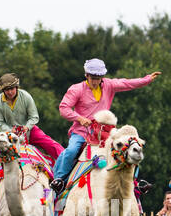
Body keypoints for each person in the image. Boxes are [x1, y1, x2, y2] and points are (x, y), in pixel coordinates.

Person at [47, 59, 161, 196]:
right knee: (71, 151)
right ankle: (59, 181)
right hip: (81, 132)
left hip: (105, 133)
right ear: (86, 75)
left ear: (102, 77)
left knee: (130, 147)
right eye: (93, 78)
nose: (95, 81)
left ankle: (134, 183)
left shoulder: (109, 85)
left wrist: (147, 79)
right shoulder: (76, 89)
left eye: (98, 78)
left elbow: (127, 83)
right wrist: (79, 118)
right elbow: (63, 108)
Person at [0, 73, 61, 165]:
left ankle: (68, 162)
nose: (10, 92)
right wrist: (9, 130)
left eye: (12, 89)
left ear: (16, 87)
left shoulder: (26, 96)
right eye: (7, 90)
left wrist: (27, 127)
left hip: (29, 130)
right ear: (3, 90)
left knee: (50, 143)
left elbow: (34, 117)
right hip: (9, 134)